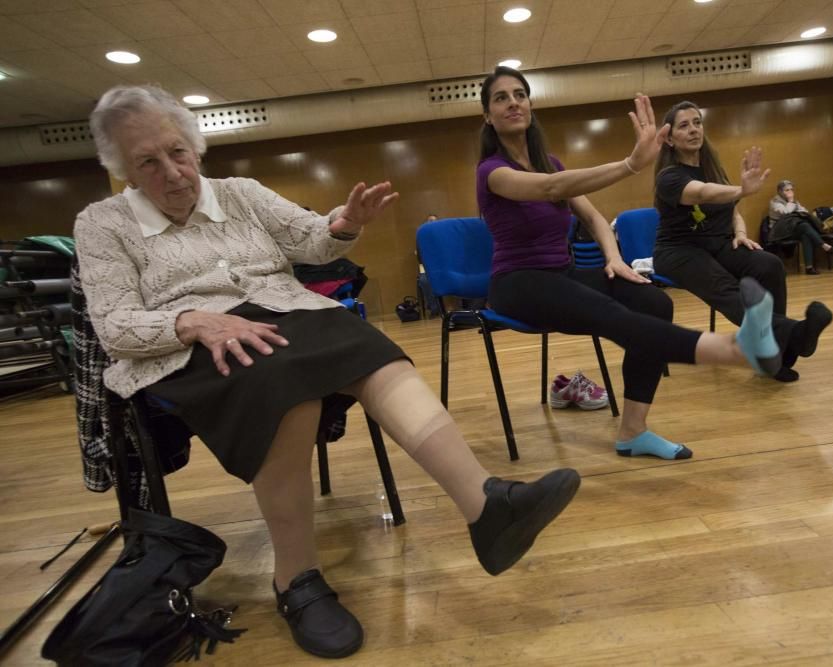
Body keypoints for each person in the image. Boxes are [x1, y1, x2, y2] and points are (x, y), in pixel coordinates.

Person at [76, 85, 582, 660]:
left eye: (178, 152)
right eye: (148, 161)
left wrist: (345, 222)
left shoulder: (238, 193)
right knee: (277, 379)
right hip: (190, 342)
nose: (172, 172)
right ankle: (296, 580)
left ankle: (487, 504)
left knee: (367, 343)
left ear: (195, 149)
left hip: (289, 315)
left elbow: (312, 240)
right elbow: (114, 324)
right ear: (124, 170)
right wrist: (194, 321)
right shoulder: (103, 224)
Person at [476, 66, 785, 462]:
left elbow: (594, 218)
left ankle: (633, 430)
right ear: (488, 115)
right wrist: (630, 164)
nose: (513, 102)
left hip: (561, 274)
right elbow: (553, 189)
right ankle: (734, 349)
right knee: (608, 313)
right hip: (516, 284)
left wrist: (614, 258)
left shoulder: (549, 161)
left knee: (654, 302)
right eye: (501, 98)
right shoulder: (491, 172)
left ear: (531, 105)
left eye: (519, 94)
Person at [650, 100, 833, 384]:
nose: (693, 129)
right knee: (726, 285)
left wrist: (741, 234)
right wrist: (741, 189)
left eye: (697, 122)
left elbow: (730, 209)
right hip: (678, 251)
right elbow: (702, 194)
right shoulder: (669, 177)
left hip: (720, 244)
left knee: (768, 264)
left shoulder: (712, 169)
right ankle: (794, 336)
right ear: (670, 138)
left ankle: (777, 356)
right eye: (684, 125)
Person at [768, 180, 833, 275]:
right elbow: (786, 212)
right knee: (804, 226)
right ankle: (823, 245)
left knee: (805, 234)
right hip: (779, 231)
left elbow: (805, 212)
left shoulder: (794, 202)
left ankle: (809, 267)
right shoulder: (775, 202)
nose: (790, 192)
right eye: (786, 190)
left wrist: (795, 204)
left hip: (792, 229)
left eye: (791, 190)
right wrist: (791, 201)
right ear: (780, 192)